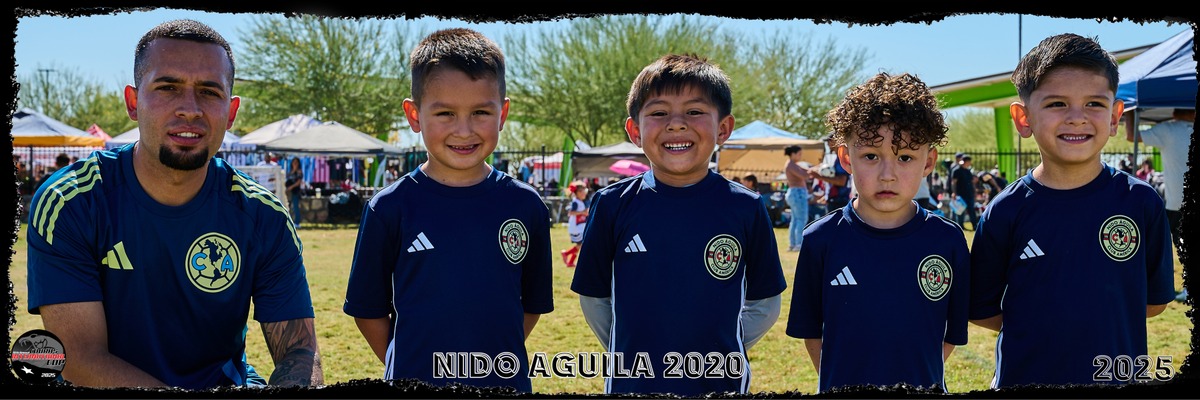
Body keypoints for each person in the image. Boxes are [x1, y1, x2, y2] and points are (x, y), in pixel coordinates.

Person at [24, 19, 321, 389]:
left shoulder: (263, 215)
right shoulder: (72, 201)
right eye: (168, 88)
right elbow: (81, 360)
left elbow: (299, 350)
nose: (190, 109)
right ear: (133, 103)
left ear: (231, 113)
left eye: (209, 92)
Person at [342, 28, 553, 393]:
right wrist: (407, 364)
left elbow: (530, 305)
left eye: (480, 112)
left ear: (502, 113)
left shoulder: (526, 205)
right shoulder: (389, 208)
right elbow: (368, 311)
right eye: (445, 113)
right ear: (414, 115)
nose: (464, 130)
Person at [570, 53, 786, 396]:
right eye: (659, 113)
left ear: (724, 128)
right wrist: (632, 347)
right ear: (635, 131)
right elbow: (594, 299)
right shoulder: (612, 205)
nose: (676, 124)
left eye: (694, 111)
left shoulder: (746, 207)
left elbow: (765, 302)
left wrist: (719, 345)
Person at [970, 33, 1174, 389]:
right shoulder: (1005, 211)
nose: (1077, 118)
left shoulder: (1141, 202)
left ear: (1115, 116)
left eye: (1094, 103)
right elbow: (982, 309)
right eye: (1057, 104)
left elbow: (1153, 303)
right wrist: (1047, 326)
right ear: (1023, 118)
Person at [786, 72, 968, 394]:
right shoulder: (821, 239)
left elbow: (952, 334)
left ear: (928, 163)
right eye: (871, 156)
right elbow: (811, 332)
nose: (888, 175)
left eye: (905, 157)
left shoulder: (948, 240)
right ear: (847, 158)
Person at [1125, 107, 1194, 302]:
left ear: (1174, 112)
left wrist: (1130, 109)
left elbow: (1131, 135)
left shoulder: (1168, 130)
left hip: (1178, 203)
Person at [809, 133, 852, 212]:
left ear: (836, 141)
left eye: (829, 141)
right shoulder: (837, 158)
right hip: (836, 201)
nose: (828, 145)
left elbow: (841, 181)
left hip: (839, 202)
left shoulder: (841, 160)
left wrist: (819, 177)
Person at [783, 145, 810, 252]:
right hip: (798, 194)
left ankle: (793, 243)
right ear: (793, 154)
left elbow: (805, 170)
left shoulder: (792, 164)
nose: (800, 156)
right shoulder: (791, 165)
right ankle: (799, 243)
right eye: (799, 154)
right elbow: (804, 175)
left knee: (795, 220)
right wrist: (813, 172)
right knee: (801, 219)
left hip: (794, 194)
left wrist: (813, 169)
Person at [561, 180, 589, 268]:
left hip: (580, 227)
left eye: (584, 191)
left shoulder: (580, 202)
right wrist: (583, 212)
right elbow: (571, 213)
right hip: (577, 228)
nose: (583, 193)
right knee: (580, 245)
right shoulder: (575, 202)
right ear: (576, 193)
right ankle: (566, 253)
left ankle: (570, 262)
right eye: (581, 191)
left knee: (580, 245)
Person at [950, 154, 978, 230]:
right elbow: (954, 182)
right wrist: (954, 192)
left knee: (971, 210)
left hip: (969, 194)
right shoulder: (957, 170)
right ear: (965, 161)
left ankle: (974, 225)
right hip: (960, 194)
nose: (970, 163)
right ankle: (960, 226)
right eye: (969, 162)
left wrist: (974, 192)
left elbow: (972, 183)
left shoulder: (968, 171)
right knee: (961, 211)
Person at [286, 157, 305, 229]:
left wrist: (291, 187)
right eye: (294, 162)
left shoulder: (299, 172)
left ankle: (297, 222)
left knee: (296, 207)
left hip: (295, 191)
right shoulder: (290, 172)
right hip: (288, 192)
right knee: (289, 207)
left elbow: (298, 182)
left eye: (296, 163)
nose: (295, 164)